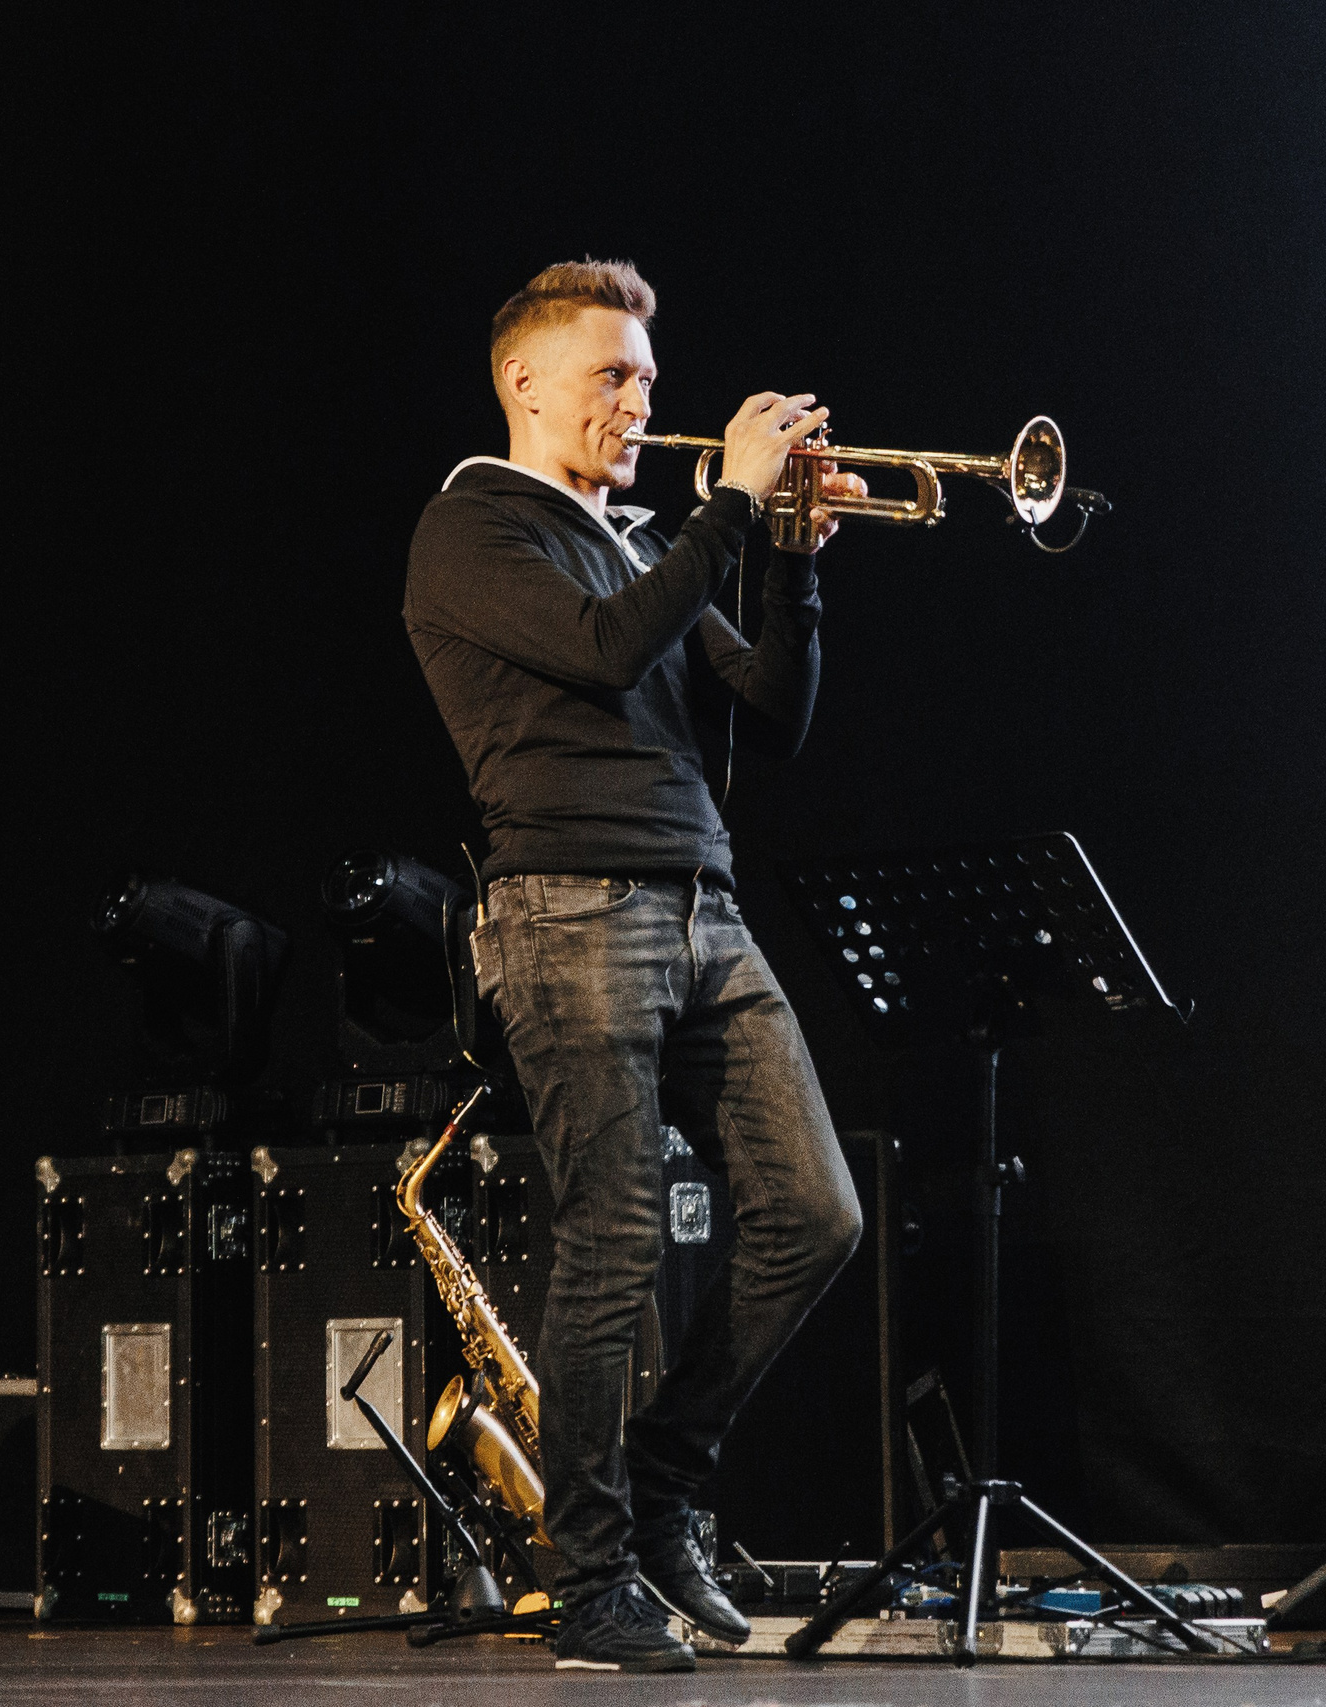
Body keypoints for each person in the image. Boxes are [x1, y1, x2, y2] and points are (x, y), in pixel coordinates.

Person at [404, 259, 865, 1672]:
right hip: (567, 908)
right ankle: (590, 1579)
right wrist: (731, 510)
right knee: (615, 1240)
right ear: (525, 383)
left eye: (649, 380)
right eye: (611, 375)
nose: (640, 404)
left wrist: (789, 557)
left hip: (704, 904)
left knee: (816, 1213)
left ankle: (663, 1484)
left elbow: (773, 716)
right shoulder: (474, 528)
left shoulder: (643, 541)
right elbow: (606, 653)